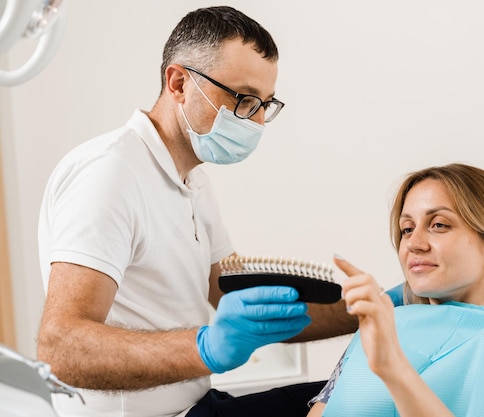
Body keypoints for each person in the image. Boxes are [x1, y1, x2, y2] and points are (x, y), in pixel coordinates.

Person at [36, 6, 356, 417]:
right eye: (242, 99)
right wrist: (206, 347)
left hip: (196, 407)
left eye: (265, 103)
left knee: (355, 392)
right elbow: (60, 348)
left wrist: (383, 306)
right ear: (179, 82)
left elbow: (233, 296)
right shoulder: (110, 174)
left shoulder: (192, 180)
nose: (257, 121)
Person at [307, 163, 484, 417]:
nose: (414, 243)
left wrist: (394, 370)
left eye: (439, 225)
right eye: (407, 229)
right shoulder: (381, 330)